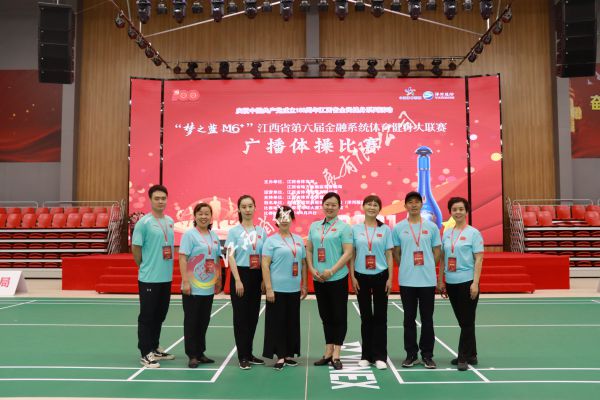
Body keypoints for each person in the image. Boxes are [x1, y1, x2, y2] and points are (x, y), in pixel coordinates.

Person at [392, 191, 441, 369]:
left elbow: (437, 252)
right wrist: (406, 265)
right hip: (407, 280)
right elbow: (396, 253)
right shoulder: (398, 228)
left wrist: (428, 265)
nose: (413, 205)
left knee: (427, 319)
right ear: (405, 206)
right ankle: (411, 354)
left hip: (427, 281)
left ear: (421, 205)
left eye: (417, 202)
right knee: (409, 319)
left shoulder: (431, 227)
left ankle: (427, 355)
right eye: (410, 202)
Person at [307, 192, 353, 370]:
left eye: (334, 205)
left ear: (339, 207)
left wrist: (332, 270)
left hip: (337, 278)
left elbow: (348, 252)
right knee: (325, 316)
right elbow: (309, 250)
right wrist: (312, 269)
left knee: (339, 316)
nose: (330, 207)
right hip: (319, 279)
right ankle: (327, 352)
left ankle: (337, 354)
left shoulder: (344, 228)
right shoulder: (314, 226)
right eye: (327, 204)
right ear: (322, 205)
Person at [131, 184, 176, 368]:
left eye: (163, 198)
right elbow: (136, 248)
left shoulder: (170, 221)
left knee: (160, 315)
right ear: (150, 200)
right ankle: (145, 352)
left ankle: (155, 347)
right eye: (157, 198)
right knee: (147, 316)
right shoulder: (144, 223)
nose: (160, 201)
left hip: (165, 278)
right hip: (149, 278)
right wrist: (144, 266)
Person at [437, 197, 484, 371]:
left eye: (461, 209)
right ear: (450, 212)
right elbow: (443, 257)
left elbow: (479, 259)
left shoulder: (474, 233)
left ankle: (463, 357)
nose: (458, 212)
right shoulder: (447, 233)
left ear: (466, 211)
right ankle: (472, 354)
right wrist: (440, 279)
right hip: (451, 282)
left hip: (467, 282)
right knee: (464, 321)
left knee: (466, 321)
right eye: (454, 209)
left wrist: (475, 283)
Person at [349, 195, 394, 370]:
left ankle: (380, 356)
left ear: (379, 209)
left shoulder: (385, 229)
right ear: (363, 207)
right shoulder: (355, 229)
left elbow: (389, 255)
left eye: (375, 205)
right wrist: (353, 276)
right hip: (361, 276)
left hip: (381, 276)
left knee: (381, 317)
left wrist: (390, 278)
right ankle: (366, 355)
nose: (372, 207)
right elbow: (352, 254)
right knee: (366, 317)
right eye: (369, 204)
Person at [261, 206, 308, 370]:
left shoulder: (298, 239)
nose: (284, 220)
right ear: (276, 220)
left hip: (294, 288)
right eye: (281, 217)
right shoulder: (271, 241)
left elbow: (303, 263)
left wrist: (304, 284)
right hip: (277, 289)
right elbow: (265, 265)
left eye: (288, 217)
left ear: (292, 220)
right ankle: (280, 355)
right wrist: (269, 288)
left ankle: (288, 354)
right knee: (277, 323)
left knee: (292, 322)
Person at [225, 195, 268, 370]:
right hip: (240, 275)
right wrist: (237, 280)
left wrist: (264, 279)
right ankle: (242, 355)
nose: (247, 209)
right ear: (239, 209)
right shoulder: (234, 232)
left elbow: (266, 257)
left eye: (250, 206)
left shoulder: (262, 231)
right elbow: (230, 256)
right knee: (241, 318)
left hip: (257, 275)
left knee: (252, 317)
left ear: (255, 207)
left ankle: (249, 353)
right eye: (244, 206)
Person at [179, 203, 222, 368]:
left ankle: (200, 352)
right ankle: (192, 355)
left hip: (208, 286)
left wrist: (218, 279)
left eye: (207, 214)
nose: (204, 217)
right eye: (200, 214)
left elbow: (216, 259)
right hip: (193, 286)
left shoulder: (214, 236)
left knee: (203, 321)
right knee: (192, 322)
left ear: (211, 217)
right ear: (195, 216)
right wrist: (185, 281)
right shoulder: (189, 235)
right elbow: (183, 258)